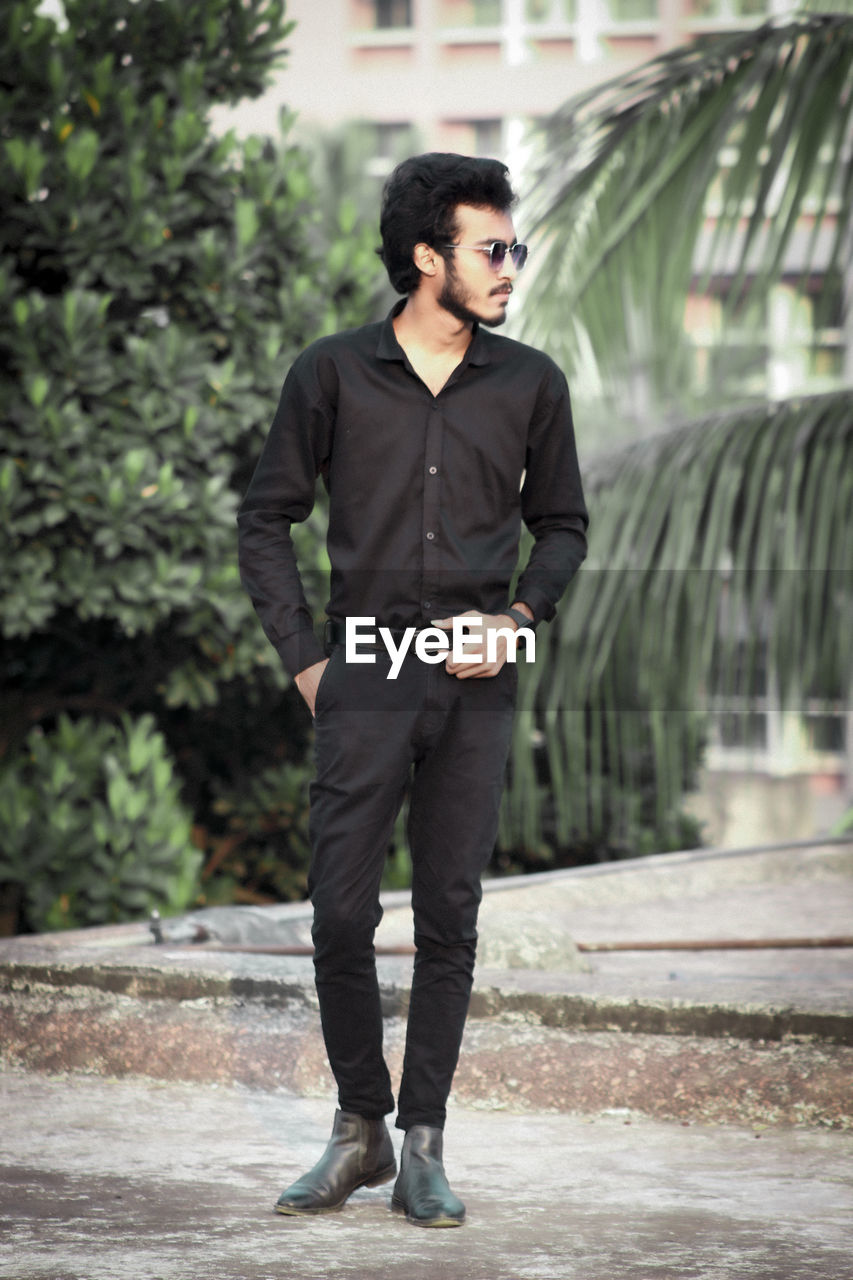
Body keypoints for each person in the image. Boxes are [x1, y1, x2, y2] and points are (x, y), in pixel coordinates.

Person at [237, 152, 588, 1227]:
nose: (508, 268)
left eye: (511, 248)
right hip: (364, 673)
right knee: (340, 911)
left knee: (449, 914)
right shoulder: (332, 373)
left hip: (475, 684)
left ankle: (424, 1142)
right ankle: (359, 1128)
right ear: (425, 256)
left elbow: (563, 526)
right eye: (491, 249)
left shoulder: (530, 382)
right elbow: (266, 518)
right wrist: (306, 655)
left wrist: (519, 620)